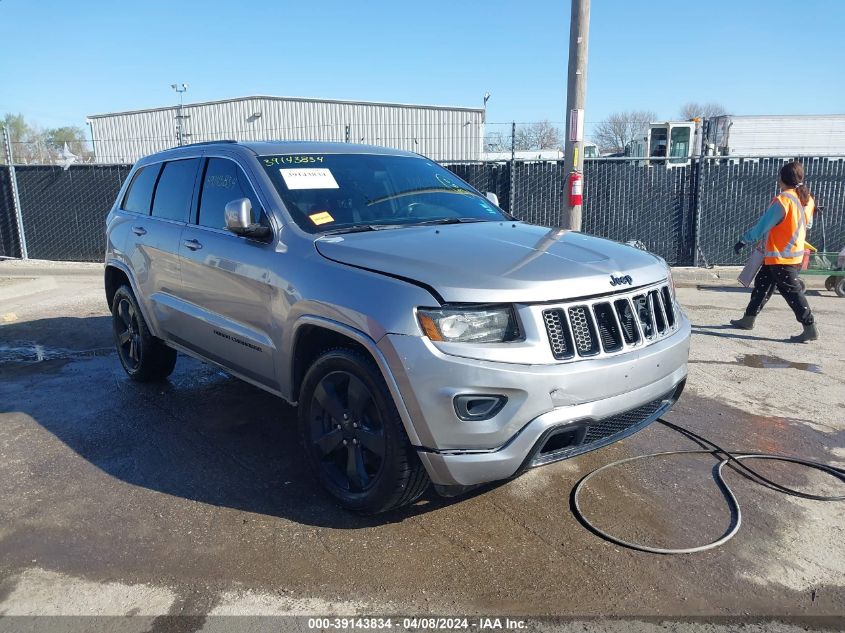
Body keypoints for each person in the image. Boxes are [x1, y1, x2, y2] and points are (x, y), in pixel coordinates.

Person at [730, 161, 817, 342]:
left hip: (782, 257)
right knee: (762, 285)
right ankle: (748, 319)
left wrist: (743, 240)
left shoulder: (784, 200)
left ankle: (810, 328)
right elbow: (807, 224)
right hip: (789, 255)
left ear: (782, 179)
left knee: (792, 293)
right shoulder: (807, 199)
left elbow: (763, 225)